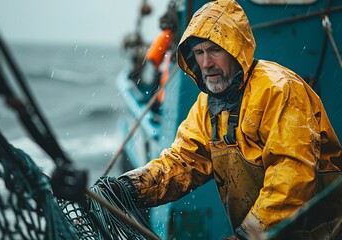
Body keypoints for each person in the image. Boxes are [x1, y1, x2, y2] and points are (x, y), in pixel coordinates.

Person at [105, 0, 342, 239]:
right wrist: (128, 188)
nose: (207, 64)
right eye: (199, 53)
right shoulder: (205, 105)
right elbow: (184, 162)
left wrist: (247, 234)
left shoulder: (279, 89)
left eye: (215, 50)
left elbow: (293, 175)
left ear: (236, 50)